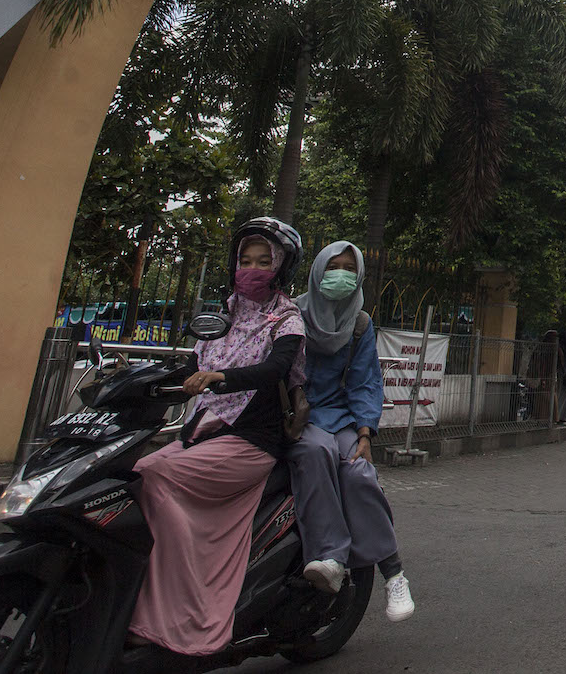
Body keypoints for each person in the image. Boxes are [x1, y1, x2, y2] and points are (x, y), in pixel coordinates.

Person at [127, 218, 307, 656]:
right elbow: (189, 368)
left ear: (281, 267)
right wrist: (132, 375)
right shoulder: (221, 315)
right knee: (130, 475)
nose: (252, 267)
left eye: (264, 261)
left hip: (251, 444)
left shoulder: (286, 318)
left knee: (156, 474)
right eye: (245, 259)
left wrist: (220, 377)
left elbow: (275, 369)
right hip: (204, 435)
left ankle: (185, 602)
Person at [289, 241, 415, 622]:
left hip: (340, 418)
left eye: (348, 267)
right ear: (317, 271)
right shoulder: (292, 314)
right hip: (299, 418)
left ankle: (393, 572)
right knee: (315, 453)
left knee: (359, 472)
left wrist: (364, 434)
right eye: (333, 266)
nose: (339, 274)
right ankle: (329, 557)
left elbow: (365, 382)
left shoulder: (359, 323)